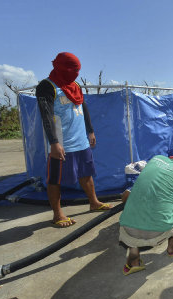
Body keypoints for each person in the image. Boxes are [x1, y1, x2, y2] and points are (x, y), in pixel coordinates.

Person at [36, 52, 111, 228]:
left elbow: (83, 107)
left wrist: (90, 131)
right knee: (55, 179)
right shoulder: (47, 86)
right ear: (62, 68)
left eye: (78, 70)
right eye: (73, 70)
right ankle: (57, 214)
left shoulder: (74, 85)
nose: (76, 73)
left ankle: (94, 202)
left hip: (81, 141)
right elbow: (46, 116)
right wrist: (54, 143)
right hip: (61, 144)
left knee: (86, 173)